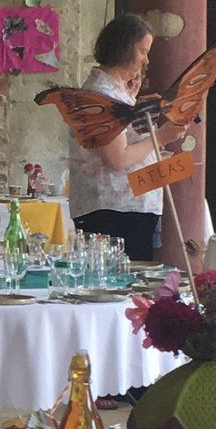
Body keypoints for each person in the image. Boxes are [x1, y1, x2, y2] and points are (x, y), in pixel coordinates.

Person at [65, 14, 166, 263]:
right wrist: (163, 137)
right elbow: (118, 159)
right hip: (114, 209)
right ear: (124, 49)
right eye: (142, 51)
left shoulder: (115, 92)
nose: (146, 60)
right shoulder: (100, 96)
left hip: (131, 205)